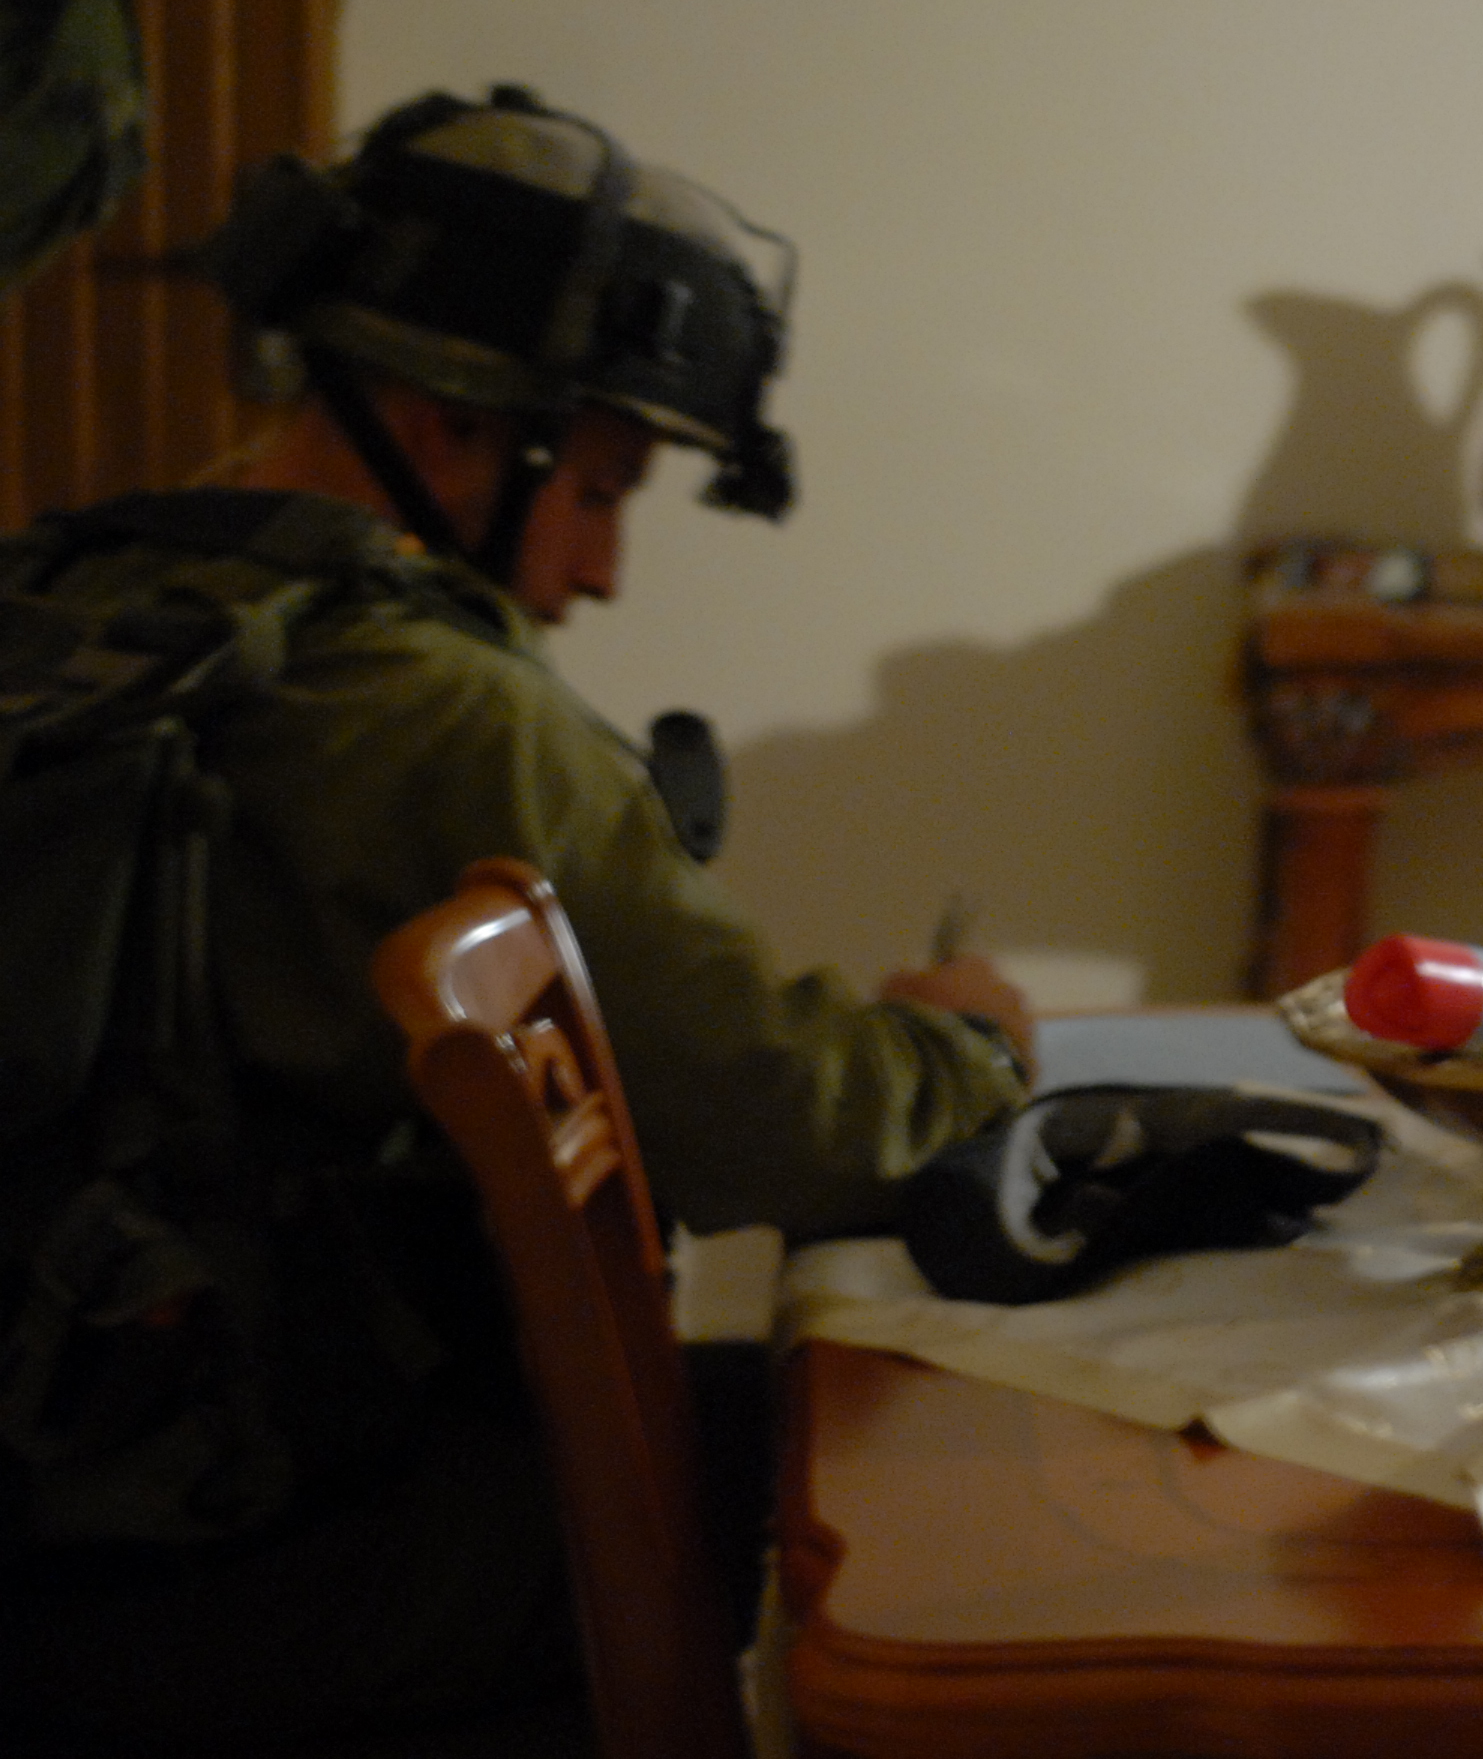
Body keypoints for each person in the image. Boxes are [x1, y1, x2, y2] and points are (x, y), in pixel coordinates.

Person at [0, 86, 1033, 1750]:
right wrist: (962, 1045)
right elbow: (789, 1121)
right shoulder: (431, 705)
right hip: (292, 1576)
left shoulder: (87, 592)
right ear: (451, 421)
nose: (601, 573)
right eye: (604, 485)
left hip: (76, 1541)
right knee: (939, 1505)